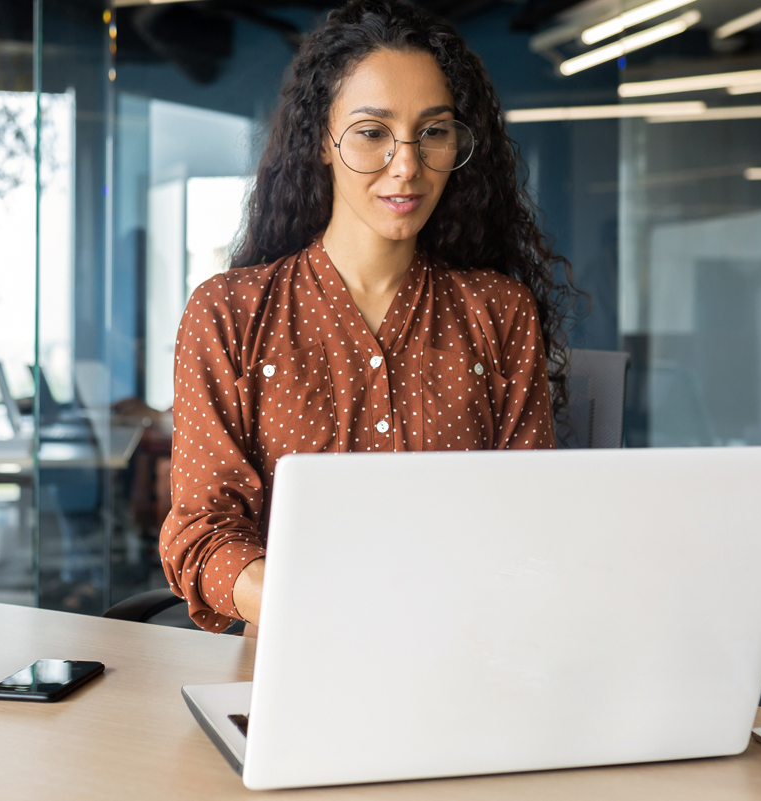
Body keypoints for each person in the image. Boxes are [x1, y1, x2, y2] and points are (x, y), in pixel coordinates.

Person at [159, 0, 574, 633]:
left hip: (463, 657)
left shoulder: (499, 312)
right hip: (292, 663)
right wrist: (319, 608)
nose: (407, 165)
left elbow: (531, 522)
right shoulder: (229, 312)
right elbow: (201, 532)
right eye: (373, 132)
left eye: (432, 131)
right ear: (322, 142)